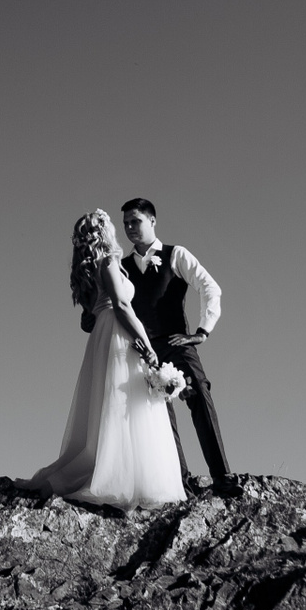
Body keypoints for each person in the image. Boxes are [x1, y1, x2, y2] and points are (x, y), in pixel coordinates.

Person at [25, 210, 186, 505]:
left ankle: (112, 471)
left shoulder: (87, 270)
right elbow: (122, 305)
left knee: (108, 404)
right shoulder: (109, 262)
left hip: (101, 334)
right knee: (126, 403)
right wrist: (146, 344)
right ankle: (124, 480)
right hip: (118, 332)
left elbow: (89, 317)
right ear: (105, 232)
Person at [119, 197, 238, 497]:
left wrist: (202, 332)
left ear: (152, 221)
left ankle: (222, 477)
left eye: (136, 221)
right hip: (144, 352)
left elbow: (210, 287)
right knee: (158, 414)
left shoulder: (176, 254)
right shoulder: (122, 267)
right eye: (126, 223)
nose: (130, 227)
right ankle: (180, 482)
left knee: (199, 392)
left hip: (177, 343)